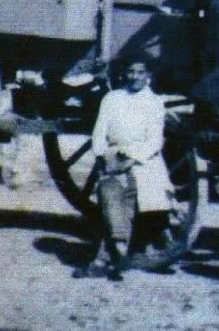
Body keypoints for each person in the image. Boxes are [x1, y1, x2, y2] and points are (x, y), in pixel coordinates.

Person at [73, 60, 173, 281]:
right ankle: (115, 252)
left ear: (148, 75)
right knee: (109, 194)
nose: (135, 76)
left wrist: (131, 160)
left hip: (144, 160)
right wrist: (103, 155)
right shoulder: (112, 99)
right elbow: (99, 132)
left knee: (131, 195)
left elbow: (155, 141)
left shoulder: (155, 102)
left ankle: (110, 256)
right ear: (124, 74)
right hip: (114, 155)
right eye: (131, 71)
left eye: (140, 72)